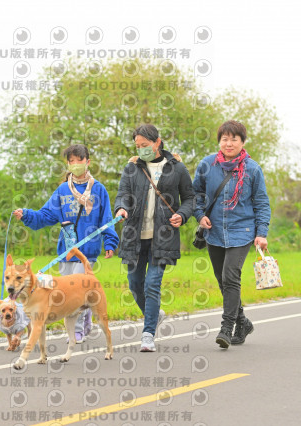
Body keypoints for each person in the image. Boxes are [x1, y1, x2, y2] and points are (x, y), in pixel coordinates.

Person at [13, 144, 119, 343]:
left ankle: (77, 331)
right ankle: (85, 322)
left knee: (76, 291)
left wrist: (110, 242)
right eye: (71, 161)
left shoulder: (98, 189)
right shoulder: (62, 190)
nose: (75, 164)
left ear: (87, 162)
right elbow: (45, 215)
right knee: (69, 292)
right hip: (66, 251)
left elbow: (106, 219)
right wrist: (26, 215)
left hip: (87, 250)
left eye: (79, 160)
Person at [114, 124, 195, 352]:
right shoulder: (132, 168)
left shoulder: (177, 168)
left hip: (163, 236)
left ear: (157, 142)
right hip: (134, 235)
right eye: (137, 146)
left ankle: (148, 334)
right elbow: (123, 194)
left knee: (152, 284)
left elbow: (190, 198)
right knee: (134, 284)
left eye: (145, 145)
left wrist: (182, 214)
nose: (141, 149)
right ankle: (155, 314)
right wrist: (121, 208)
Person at [192, 120, 271, 349]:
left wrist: (261, 233)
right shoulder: (207, 165)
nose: (229, 143)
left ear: (242, 142)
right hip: (214, 231)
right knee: (222, 280)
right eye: (224, 139)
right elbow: (195, 194)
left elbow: (261, 203)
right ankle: (242, 321)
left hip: (242, 231)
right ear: (219, 141)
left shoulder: (253, 169)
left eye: (234, 139)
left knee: (230, 276)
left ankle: (226, 328)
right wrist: (199, 215)